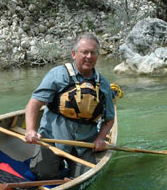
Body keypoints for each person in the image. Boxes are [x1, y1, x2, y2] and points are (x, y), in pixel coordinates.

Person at [24, 33, 115, 179]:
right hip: (52, 139)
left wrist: (100, 138)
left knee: (85, 177)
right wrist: (30, 130)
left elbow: (109, 118)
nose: (89, 56)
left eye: (93, 53)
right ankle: (55, 163)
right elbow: (34, 104)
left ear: (97, 55)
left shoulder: (103, 84)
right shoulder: (58, 74)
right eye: (84, 52)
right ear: (74, 54)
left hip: (84, 144)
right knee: (43, 175)